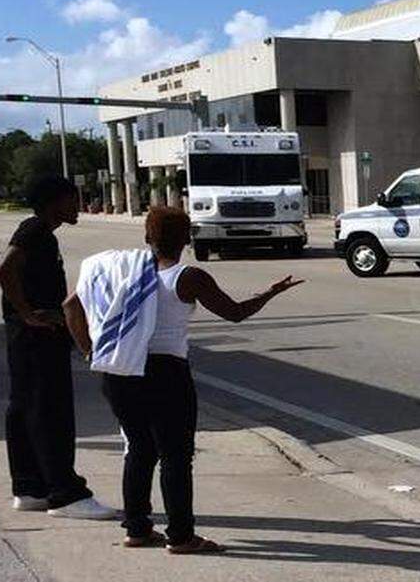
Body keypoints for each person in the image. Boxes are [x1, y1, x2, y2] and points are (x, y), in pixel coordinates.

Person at [63, 207, 303, 553]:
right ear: (187, 240)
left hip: (118, 370)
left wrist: (90, 351)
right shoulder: (187, 277)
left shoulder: (120, 271)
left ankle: (137, 529)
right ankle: (180, 536)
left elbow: (71, 306)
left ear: (147, 238)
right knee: (175, 456)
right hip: (165, 374)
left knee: (139, 450)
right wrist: (270, 292)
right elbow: (235, 313)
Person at [0, 175, 118, 519]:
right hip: (38, 336)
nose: (77, 205)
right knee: (51, 411)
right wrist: (27, 314)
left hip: (27, 338)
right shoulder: (35, 231)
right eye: (71, 199)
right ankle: (66, 494)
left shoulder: (38, 232)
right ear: (53, 202)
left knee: (25, 408)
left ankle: (30, 487)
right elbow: (3, 271)